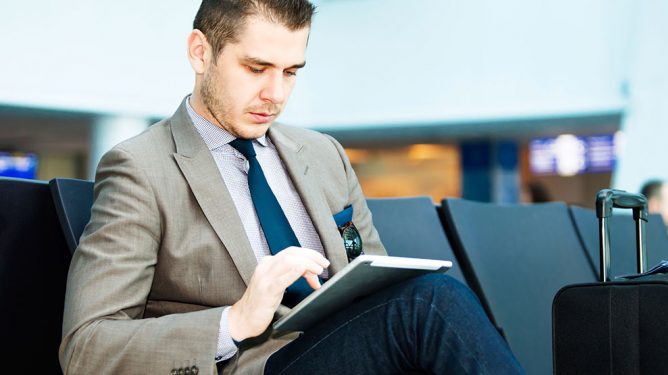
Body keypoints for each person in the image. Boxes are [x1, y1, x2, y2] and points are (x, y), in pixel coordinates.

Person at [59, 1, 524, 374]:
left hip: (351, 347)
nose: (276, 94)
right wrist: (235, 320)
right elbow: (86, 349)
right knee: (430, 303)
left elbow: (380, 288)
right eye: (256, 68)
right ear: (201, 52)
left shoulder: (323, 154)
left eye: (290, 71)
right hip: (256, 364)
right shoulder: (141, 167)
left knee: (428, 298)